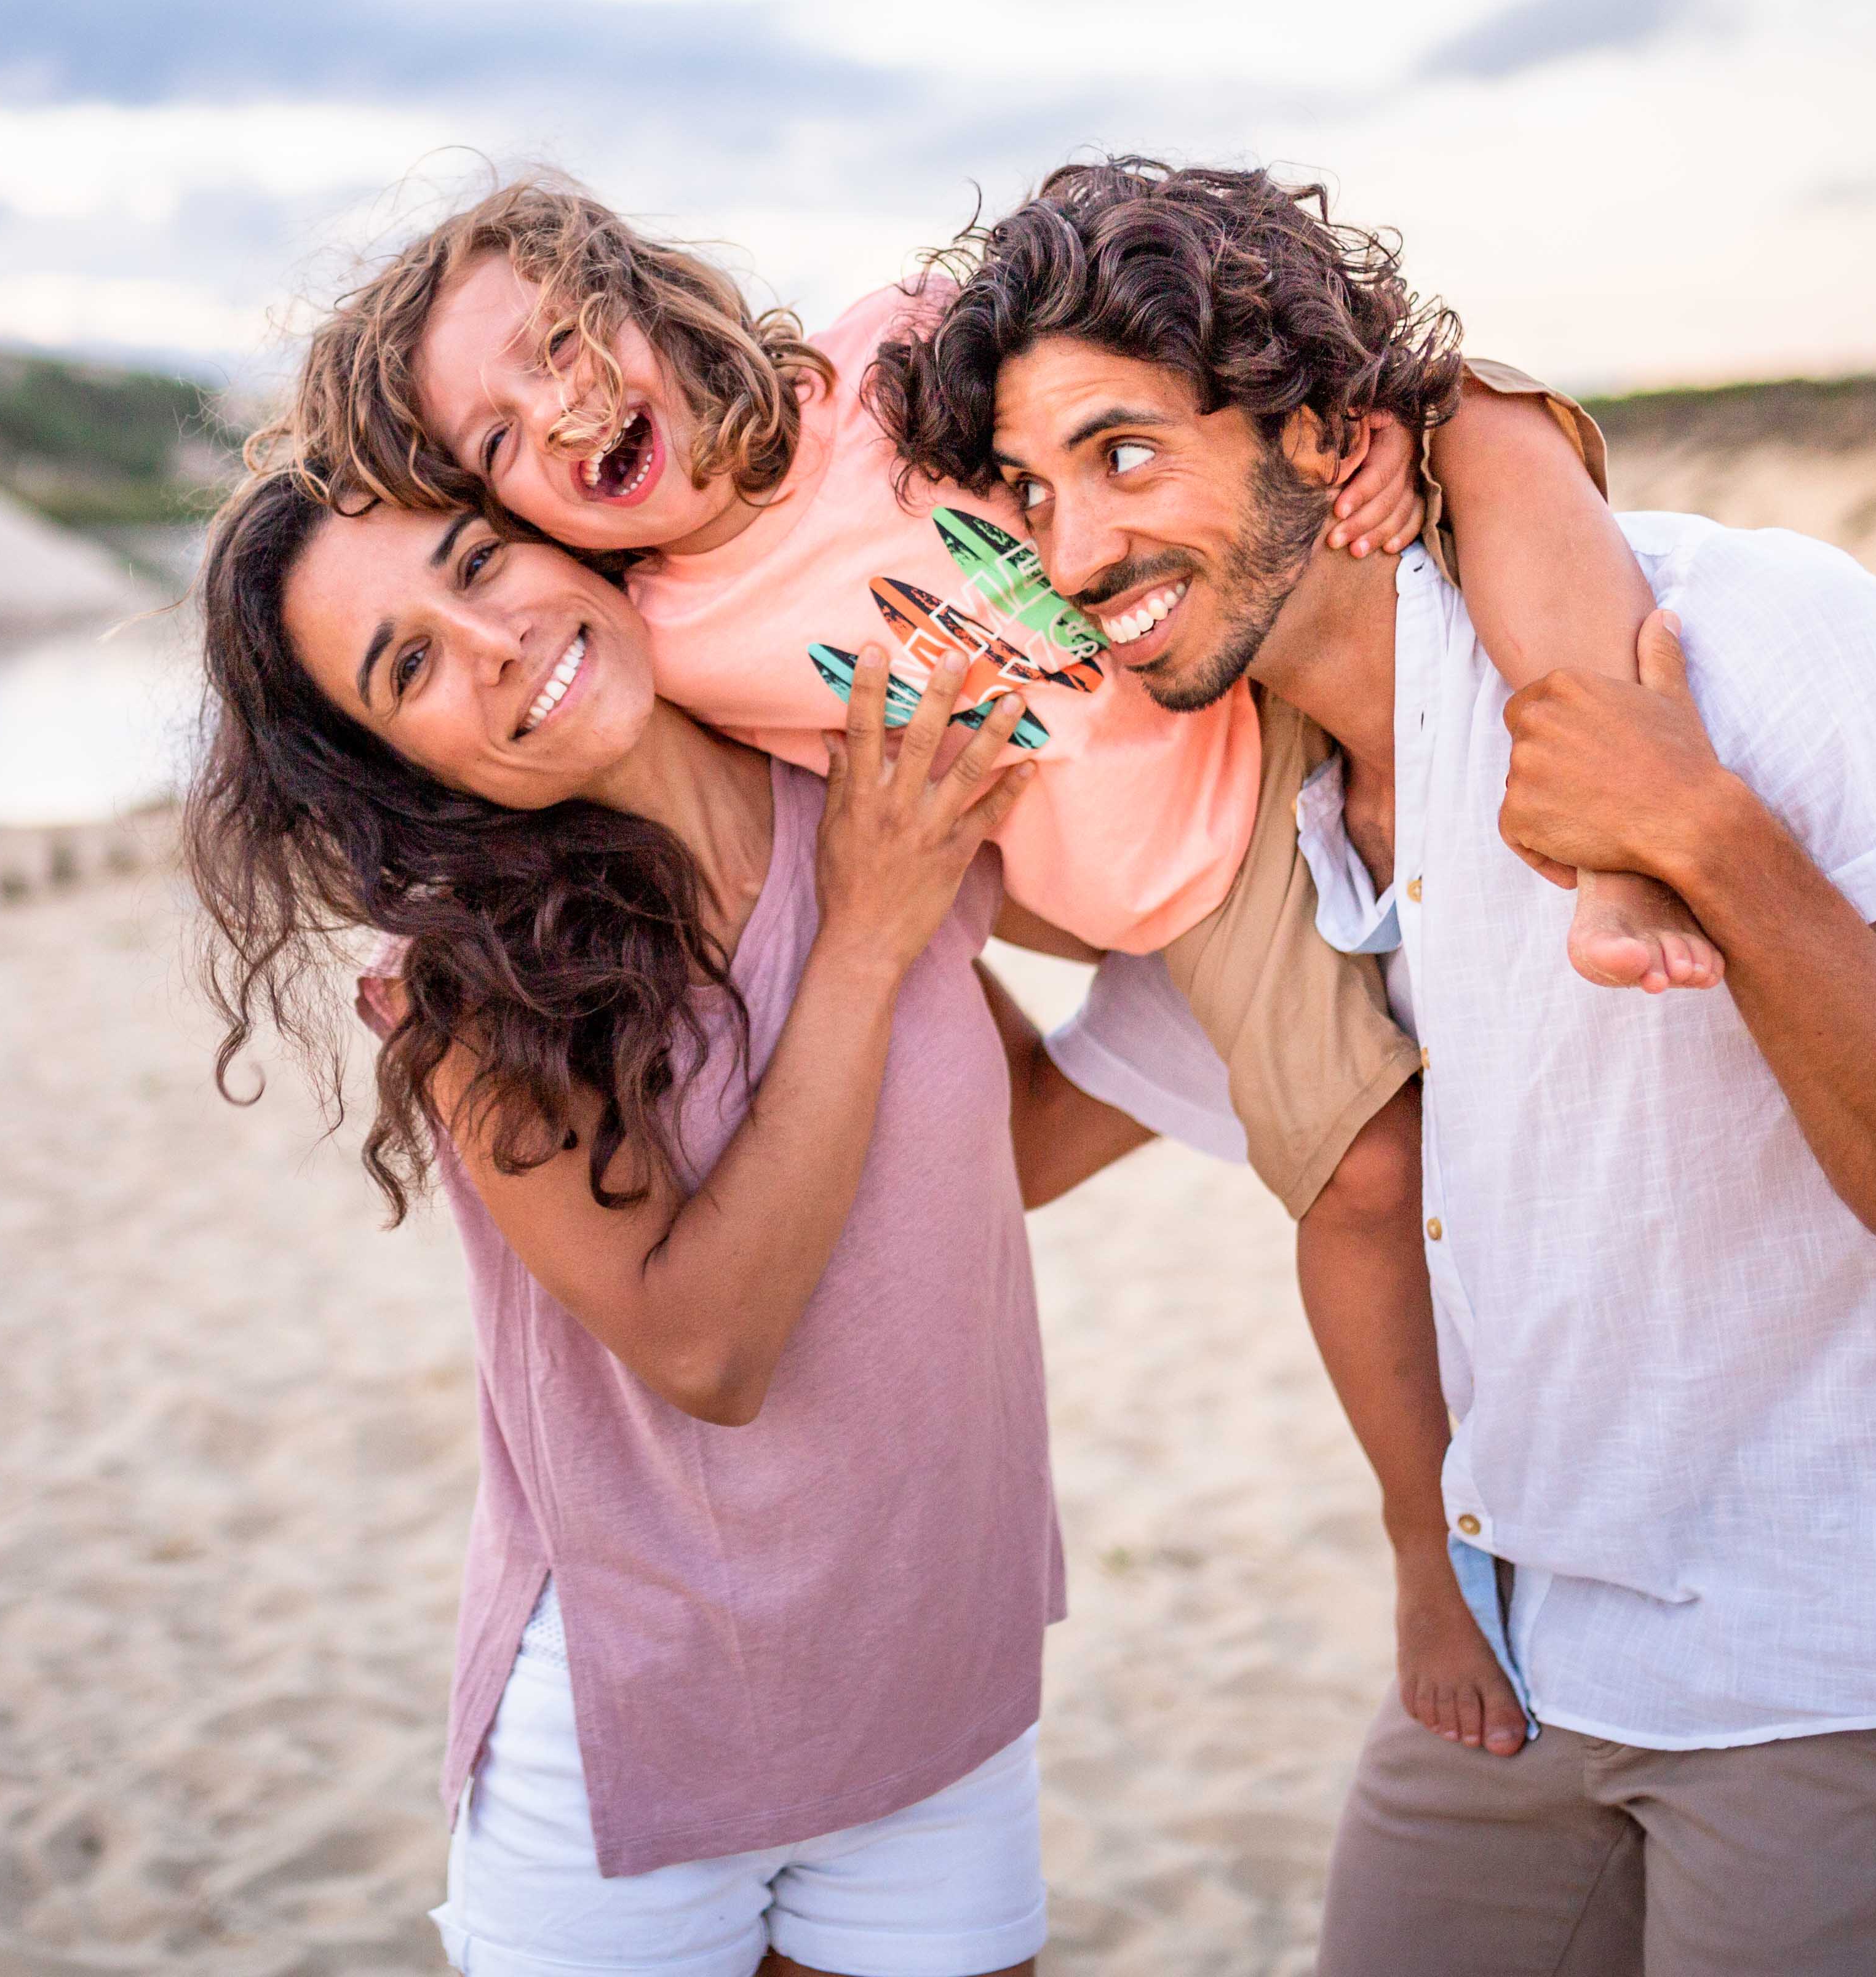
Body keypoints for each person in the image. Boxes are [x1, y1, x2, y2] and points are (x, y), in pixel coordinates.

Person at [265, 173, 1702, 1760]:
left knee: (1479, 442)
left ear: (644, 288)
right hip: (1197, 879)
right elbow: (770, 820)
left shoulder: (895, 357)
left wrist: (1371, 430)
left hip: (1264, 653)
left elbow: (1144, 375)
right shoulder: (663, 648)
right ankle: (1430, 1551)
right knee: (1369, 1179)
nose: (562, 404)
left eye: (559, 335)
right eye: (491, 440)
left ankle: (1630, 835)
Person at [879, 157, 1876, 1976]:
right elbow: (1015, 1145)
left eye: (1125, 454)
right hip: (1514, 1652)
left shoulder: (1752, 633)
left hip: (1828, 1644)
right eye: (1030, 495)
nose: (1073, 560)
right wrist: (841, 885)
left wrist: (1703, 837)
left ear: (1321, 433)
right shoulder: (1254, 813)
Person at [182, 467, 1156, 1977]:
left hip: (935, 1671)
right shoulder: (472, 991)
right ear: (391, 765)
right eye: (413, 664)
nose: (494, 640)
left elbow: (1005, 1140)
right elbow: (708, 1347)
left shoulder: (863, 790)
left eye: (480, 564)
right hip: (647, 1730)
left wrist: (1282, 1021)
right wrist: (863, 938)